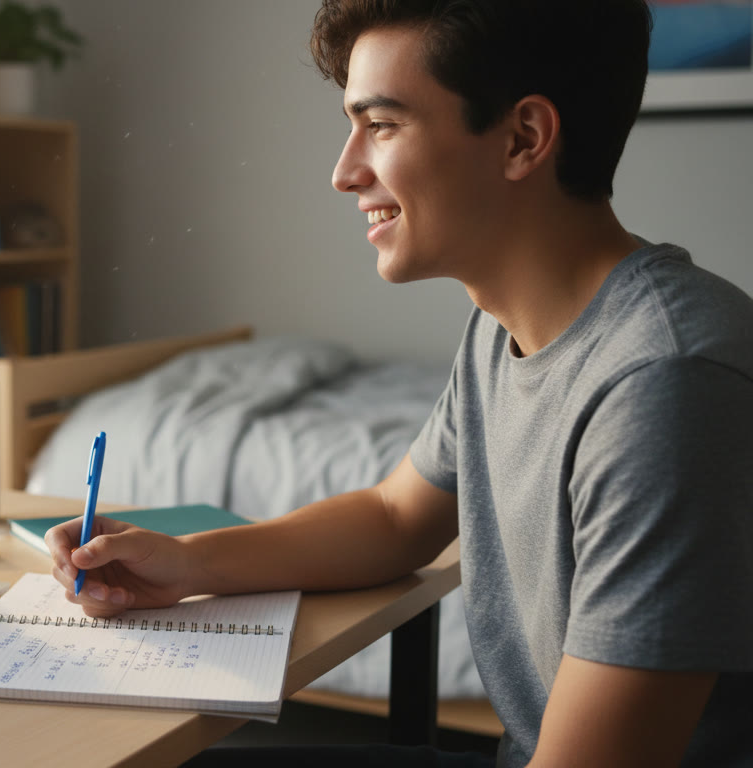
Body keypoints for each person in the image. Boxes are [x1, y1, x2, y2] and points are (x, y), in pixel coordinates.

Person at [44, 1, 753, 766]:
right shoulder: (505, 323)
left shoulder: (666, 384)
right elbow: (395, 515)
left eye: (380, 125)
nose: (345, 172)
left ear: (523, 139)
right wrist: (185, 563)